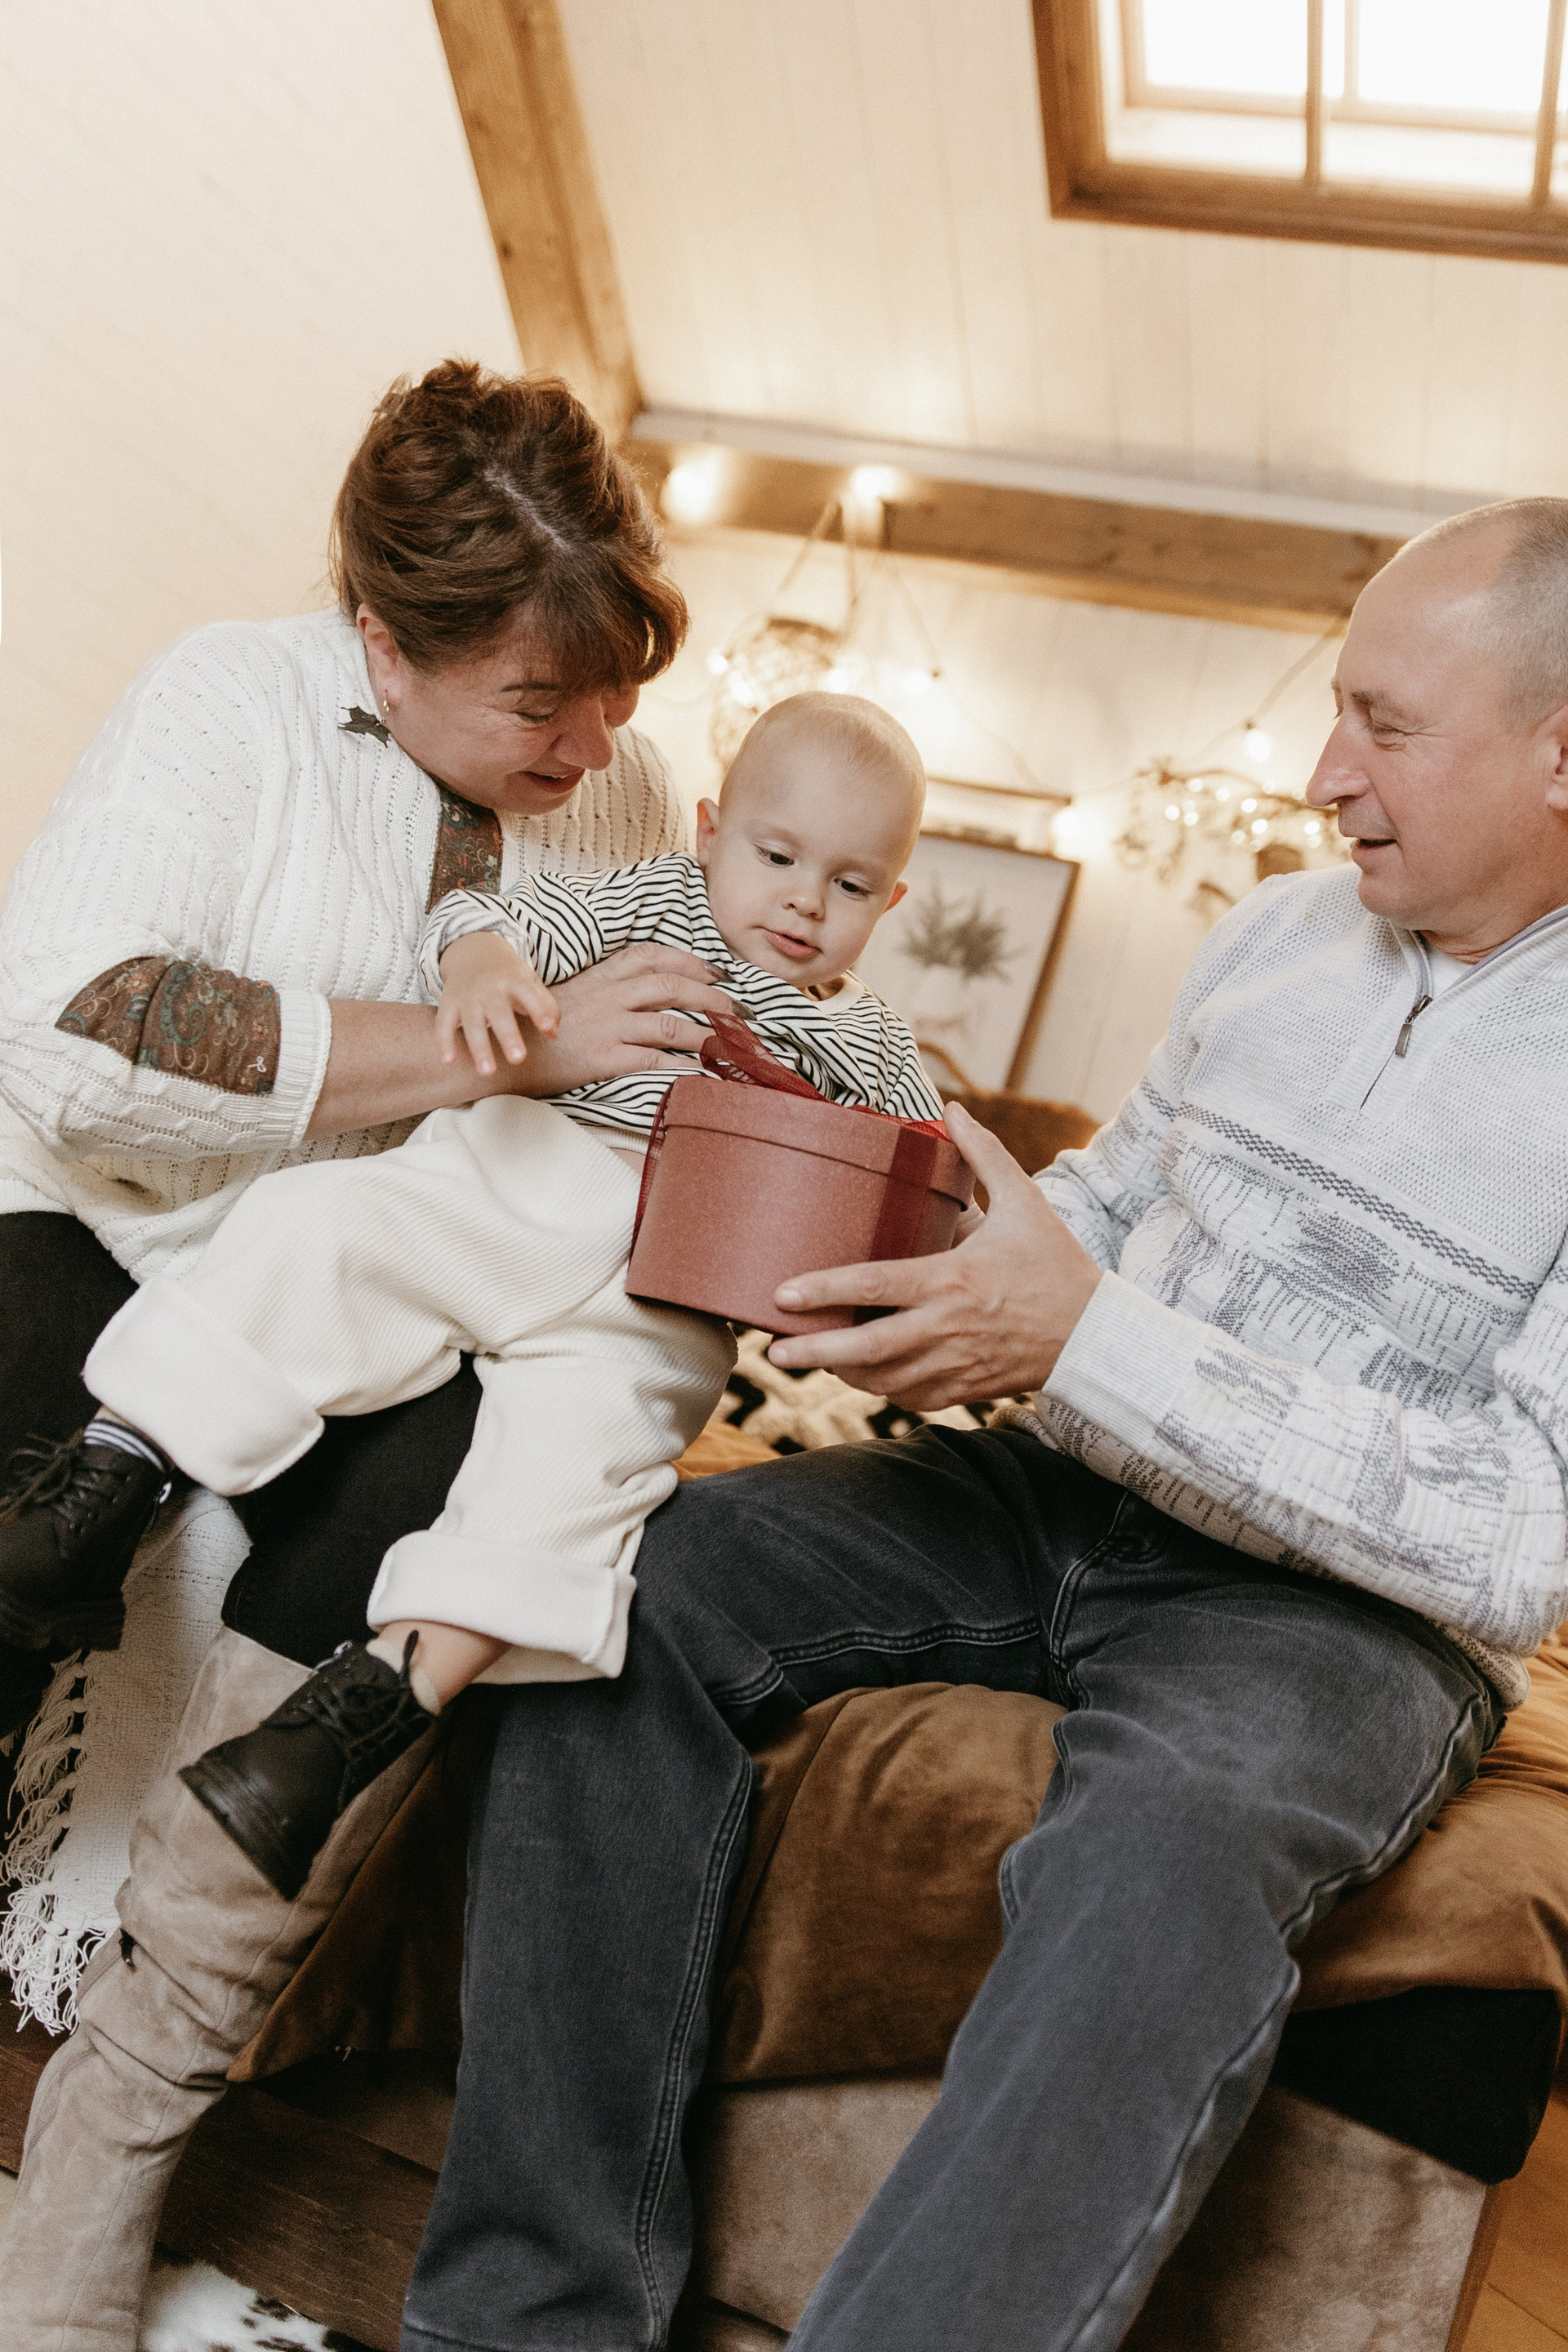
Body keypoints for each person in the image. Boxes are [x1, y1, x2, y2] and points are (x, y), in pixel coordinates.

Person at [388, 497, 1568, 2352]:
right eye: (1337, 711)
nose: (1323, 773)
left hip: (1341, 1622)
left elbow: (1521, 1535)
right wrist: (927, 1279)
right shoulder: (1273, 936)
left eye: (1386, 725)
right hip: (1053, 1483)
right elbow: (1107, 1212)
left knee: (1168, 1851)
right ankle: (526, 2323)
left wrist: (1087, 1337)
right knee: (624, 1586)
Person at [0, 357, 737, 2350]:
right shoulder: (226, 702)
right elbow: (66, 1026)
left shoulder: (626, 795)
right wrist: (491, 1055)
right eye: (539, 700)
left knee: (424, 1500)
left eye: (619, 691)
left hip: (391, 1284)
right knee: (32, 1439)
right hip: (101, 1217)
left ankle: (110, 2134)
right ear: (380, 645)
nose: (594, 743)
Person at [2, 693, 941, 1900]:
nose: (806, 902)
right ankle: (106, 1481)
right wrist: (489, 962)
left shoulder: (872, 1050)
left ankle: (350, 1722)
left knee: (579, 1486)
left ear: (890, 904)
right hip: (516, 1181)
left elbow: (922, 1182)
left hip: (664, 1299)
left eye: (850, 885)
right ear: (711, 834)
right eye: (777, 857)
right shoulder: (656, 903)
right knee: (319, 1229)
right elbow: (480, 915)